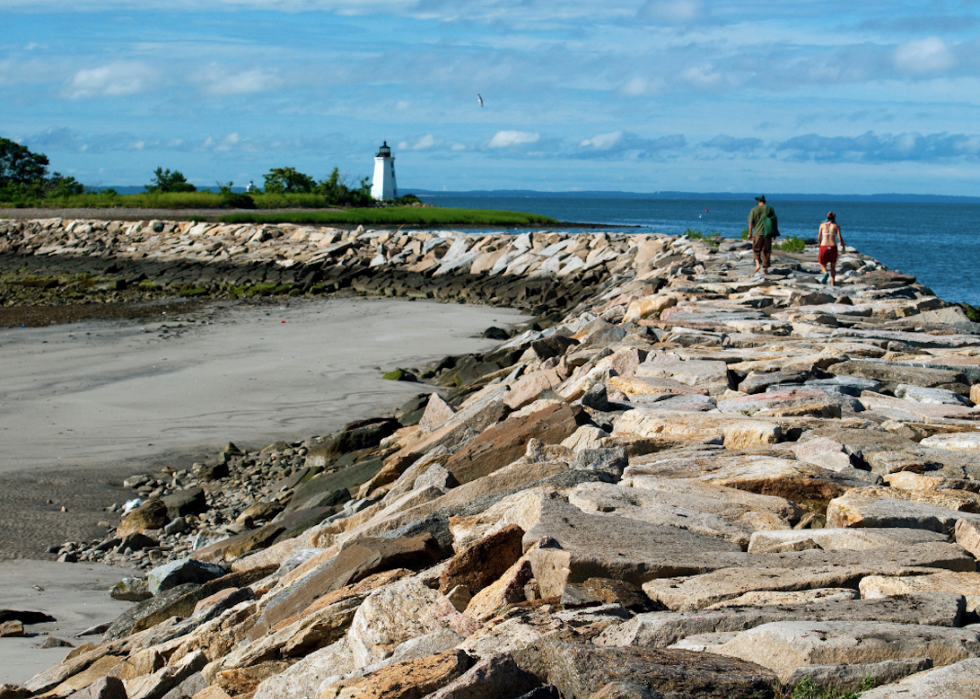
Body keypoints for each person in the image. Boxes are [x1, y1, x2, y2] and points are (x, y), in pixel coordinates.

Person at [748, 195, 778, 274]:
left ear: (759, 202)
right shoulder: (770, 209)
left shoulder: (754, 210)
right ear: (764, 201)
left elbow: (751, 222)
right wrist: (774, 232)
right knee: (766, 251)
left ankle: (757, 264)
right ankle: (765, 269)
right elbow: (774, 221)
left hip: (757, 233)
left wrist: (749, 233)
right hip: (767, 233)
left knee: (756, 249)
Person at [817, 211, 844, 285]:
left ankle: (825, 273)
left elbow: (819, 237)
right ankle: (832, 283)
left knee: (822, 264)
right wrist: (843, 246)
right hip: (833, 247)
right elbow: (840, 238)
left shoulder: (822, 225)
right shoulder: (836, 226)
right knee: (833, 266)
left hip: (824, 246)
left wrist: (820, 244)